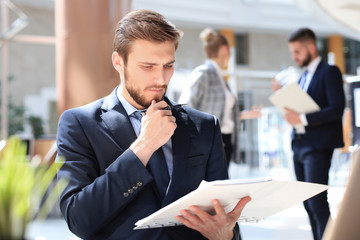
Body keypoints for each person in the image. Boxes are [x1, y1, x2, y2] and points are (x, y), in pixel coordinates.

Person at [56, 10, 250, 240]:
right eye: (148, 67)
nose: (161, 79)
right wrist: (144, 147)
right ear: (119, 62)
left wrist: (226, 236)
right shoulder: (79, 124)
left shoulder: (205, 126)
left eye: (168, 66)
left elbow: (226, 219)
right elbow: (79, 219)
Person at [282, 28, 345, 240]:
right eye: (292, 52)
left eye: (297, 51)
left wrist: (303, 119)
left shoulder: (329, 72)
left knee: (317, 201)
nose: (295, 57)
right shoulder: (302, 78)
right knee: (308, 202)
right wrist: (292, 116)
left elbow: (337, 108)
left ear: (311, 47)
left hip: (318, 146)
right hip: (299, 145)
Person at [179, 28, 260, 168]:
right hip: (213, 140)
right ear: (224, 50)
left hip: (225, 140)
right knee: (214, 185)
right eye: (229, 52)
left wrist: (244, 115)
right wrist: (207, 139)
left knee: (221, 184)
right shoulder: (204, 73)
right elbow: (185, 108)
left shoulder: (220, 78)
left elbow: (220, 113)